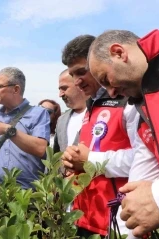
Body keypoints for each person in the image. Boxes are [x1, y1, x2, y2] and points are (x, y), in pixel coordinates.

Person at [87, 16, 159, 237]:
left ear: (119, 53)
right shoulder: (141, 115)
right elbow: (138, 193)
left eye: (106, 79)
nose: (110, 93)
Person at [61, 35, 142, 238]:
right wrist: (73, 159)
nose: (77, 81)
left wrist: (89, 160)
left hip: (118, 223)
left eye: (82, 72)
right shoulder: (92, 106)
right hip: (87, 219)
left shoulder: (129, 103)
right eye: (72, 75)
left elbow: (144, 158)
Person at [0, 67, 50, 189]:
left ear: (16, 89)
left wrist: (7, 130)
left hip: (27, 193)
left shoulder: (38, 114)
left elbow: (40, 148)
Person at [53, 69, 87, 153]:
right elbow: (55, 156)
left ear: (79, 84)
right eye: (59, 90)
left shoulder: (100, 113)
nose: (60, 94)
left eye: (64, 88)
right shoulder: (61, 120)